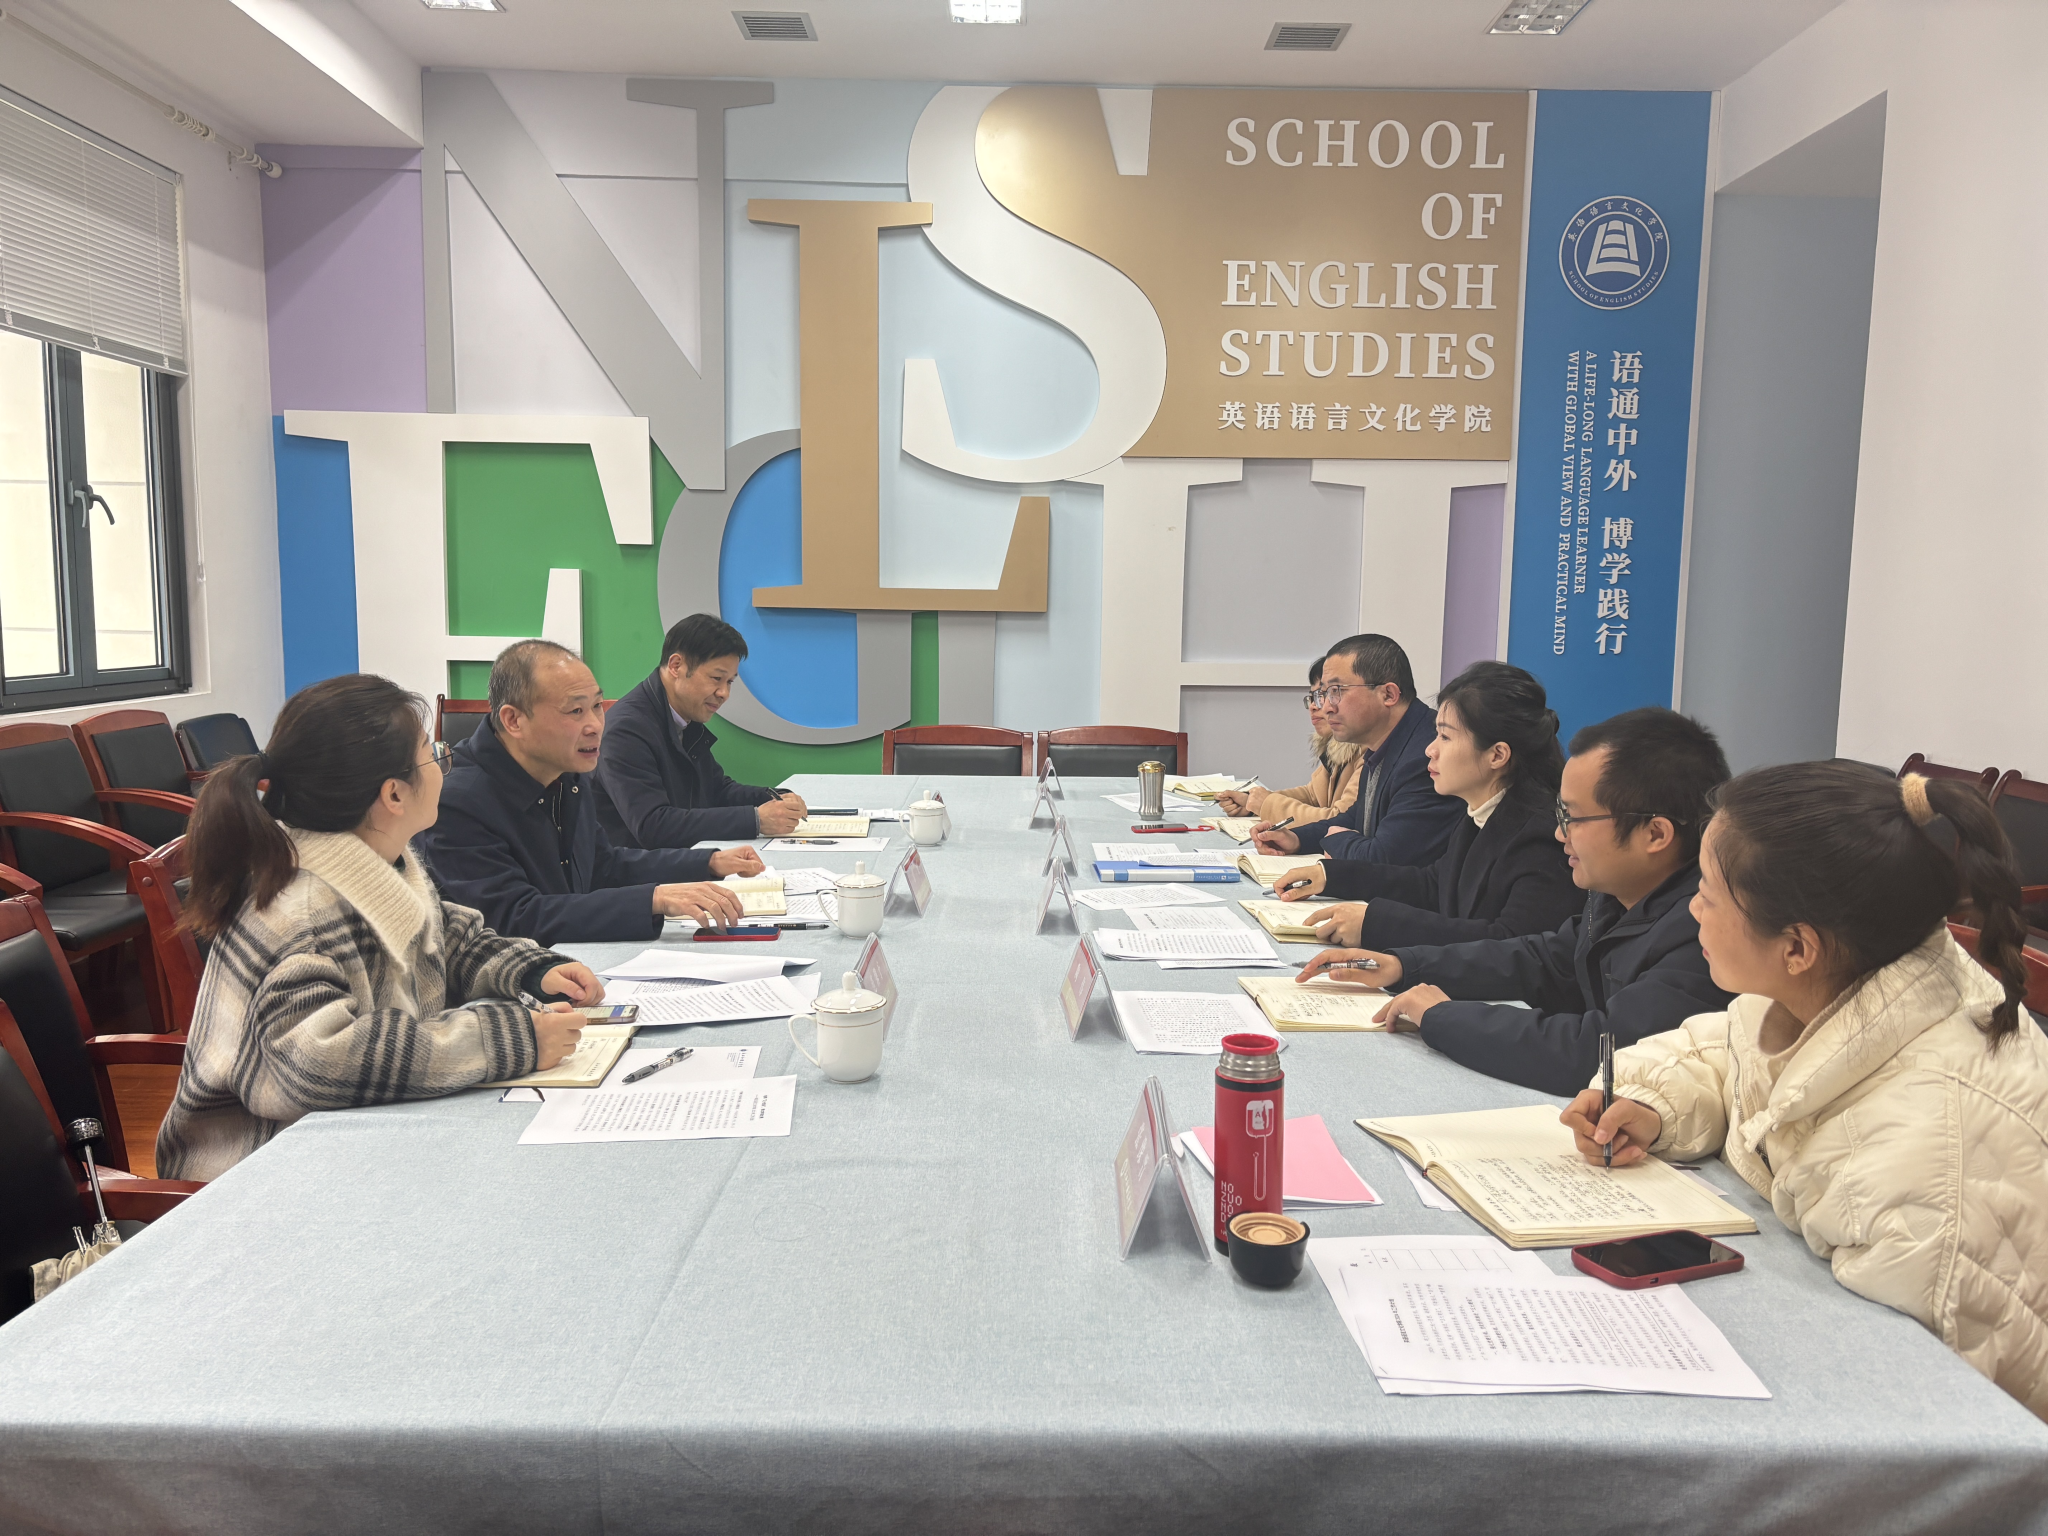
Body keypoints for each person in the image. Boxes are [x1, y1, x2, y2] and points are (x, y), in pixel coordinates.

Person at [1563, 764, 2048, 1419]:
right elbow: (1730, 1051)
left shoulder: (1922, 1177)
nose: (1691, 910)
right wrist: (1653, 1102)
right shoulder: (1862, 974)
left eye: (1707, 893)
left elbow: (1920, 1419)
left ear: (1796, 947)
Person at [157, 674, 602, 1181]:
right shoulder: (301, 908)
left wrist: (530, 971)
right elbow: (321, 1062)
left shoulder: (375, 859)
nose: (444, 765)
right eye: (433, 754)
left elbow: (446, 939)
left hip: (356, 1136)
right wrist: (507, 1039)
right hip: (256, 1169)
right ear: (393, 794)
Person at [1297, 706, 1733, 1094]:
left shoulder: (1704, 928)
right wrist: (1403, 965)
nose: (1560, 832)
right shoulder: (1617, 895)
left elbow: (1598, 1051)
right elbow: (1542, 959)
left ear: (1655, 834)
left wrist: (1443, 1016)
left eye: (1574, 818)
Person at [418, 640, 750, 945]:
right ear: (513, 720)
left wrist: (708, 861)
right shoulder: (457, 803)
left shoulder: (566, 772)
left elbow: (603, 864)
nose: (595, 725)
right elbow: (514, 919)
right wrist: (654, 899)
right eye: (575, 711)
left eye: (597, 706)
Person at [1275, 661, 1580, 949]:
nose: (1430, 749)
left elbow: (1508, 943)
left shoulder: (1542, 836)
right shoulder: (1480, 813)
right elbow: (1433, 885)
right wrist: (1331, 876)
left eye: (1445, 737)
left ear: (1497, 755)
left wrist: (1376, 924)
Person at [595, 613, 810, 850]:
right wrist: (756, 820)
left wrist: (773, 797)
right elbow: (653, 826)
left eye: (729, 682)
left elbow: (716, 790)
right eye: (716, 678)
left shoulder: (684, 718)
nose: (724, 693)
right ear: (676, 666)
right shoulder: (625, 730)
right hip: (639, 869)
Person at [1248, 634, 1462, 868]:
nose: (1326, 708)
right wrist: (1296, 839)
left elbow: (1385, 859)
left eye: (1336, 691)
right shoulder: (1383, 744)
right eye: (1324, 694)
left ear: (1388, 695)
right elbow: (1355, 819)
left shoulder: (1426, 755)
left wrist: (1337, 840)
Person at [1212, 656, 1362, 826]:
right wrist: (1252, 803)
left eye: (1325, 695)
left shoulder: (1367, 751)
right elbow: (1313, 795)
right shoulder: (1337, 746)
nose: (1314, 706)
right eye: (1313, 697)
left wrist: (1266, 804)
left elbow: (1339, 820)